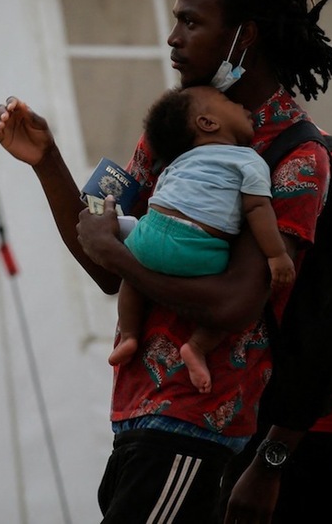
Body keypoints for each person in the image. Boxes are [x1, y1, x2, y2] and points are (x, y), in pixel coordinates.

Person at [0, 0, 332, 523]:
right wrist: (48, 162)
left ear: (244, 36)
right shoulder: (178, 125)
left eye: (190, 21)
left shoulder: (295, 157)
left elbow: (234, 303)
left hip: (195, 427)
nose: (173, 37)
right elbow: (105, 262)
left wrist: (122, 257)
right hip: (138, 418)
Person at [220, 141, 332, 523]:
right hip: (275, 422)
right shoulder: (252, 160)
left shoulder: (323, 166)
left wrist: (270, 462)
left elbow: (325, 330)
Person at [110, 85, 295, 394]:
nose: (240, 105)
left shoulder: (177, 162)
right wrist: (276, 255)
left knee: (133, 277)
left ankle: (129, 334)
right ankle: (196, 347)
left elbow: (162, 197)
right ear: (208, 123)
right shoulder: (248, 161)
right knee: (228, 301)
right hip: (199, 249)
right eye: (227, 102)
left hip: (151, 233)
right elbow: (257, 207)